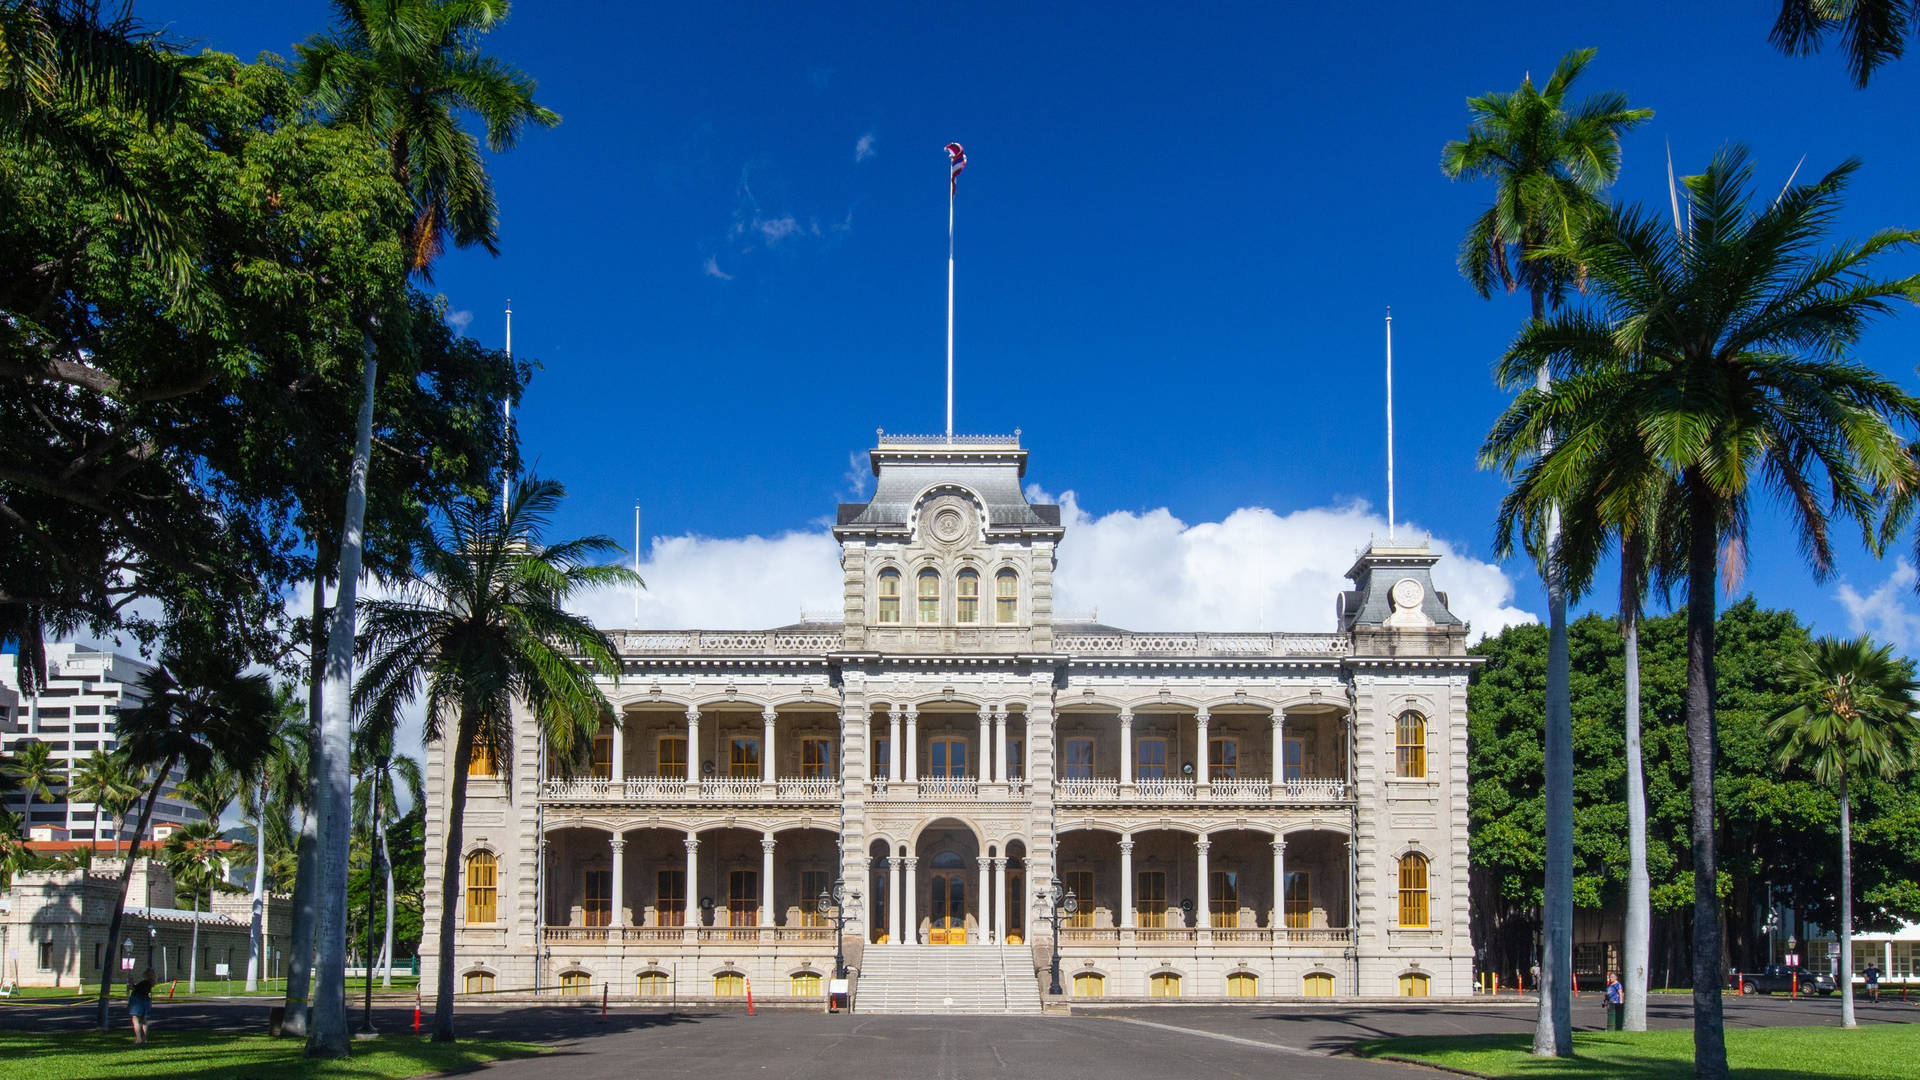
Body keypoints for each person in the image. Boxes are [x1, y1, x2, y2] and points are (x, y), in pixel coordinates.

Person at [128, 967, 155, 1045]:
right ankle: (144, 1038)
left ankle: (139, 1038)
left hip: (138, 1001)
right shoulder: (150, 983)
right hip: (146, 1001)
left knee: (135, 1019)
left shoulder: (144, 983)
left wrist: (131, 982)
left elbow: (134, 988)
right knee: (144, 1020)